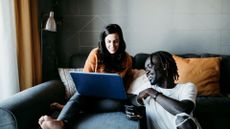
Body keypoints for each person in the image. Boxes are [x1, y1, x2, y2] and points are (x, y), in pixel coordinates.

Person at [38, 24, 133, 129]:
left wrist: (122, 93)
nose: (112, 45)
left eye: (116, 41)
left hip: (111, 99)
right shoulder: (95, 54)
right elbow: (84, 80)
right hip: (90, 95)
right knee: (79, 94)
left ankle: (68, 107)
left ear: (120, 41)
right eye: (109, 41)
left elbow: (127, 81)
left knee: (119, 105)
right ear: (104, 41)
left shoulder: (127, 59)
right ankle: (60, 122)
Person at [130, 51, 201, 129]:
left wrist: (152, 93)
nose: (147, 72)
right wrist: (139, 98)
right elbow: (130, 100)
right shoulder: (147, 87)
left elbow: (183, 110)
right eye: (146, 69)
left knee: (182, 119)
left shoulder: (187, 87)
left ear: (164, 66)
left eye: (150, 67)